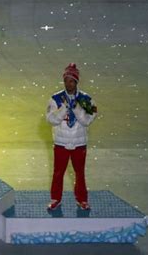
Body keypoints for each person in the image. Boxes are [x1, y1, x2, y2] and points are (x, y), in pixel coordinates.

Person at [45, 63, 97, 210]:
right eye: (66, 80)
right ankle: (56, 198)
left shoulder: (86, 99)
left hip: (79, 143)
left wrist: (76, 108)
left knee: (80, 173)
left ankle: (82, 199)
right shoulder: (56, 99)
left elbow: (88, 120)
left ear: (76, 82)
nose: (68, 84)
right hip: (61, 143)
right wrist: (64, 110)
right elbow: (51, 119)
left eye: (71, 81)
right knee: (58, 172)